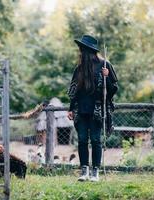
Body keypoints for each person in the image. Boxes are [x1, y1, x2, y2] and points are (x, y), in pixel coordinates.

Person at [67, 35, 118, 182]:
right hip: (81, 109)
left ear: (89, 51)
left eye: (82, 49)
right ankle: (84, 171)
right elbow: (74, 90)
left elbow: (113, 89)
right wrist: (71, 108)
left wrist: (107, 77)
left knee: (95, 140)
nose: (80, 52)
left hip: (97, 110)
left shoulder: (104, 65)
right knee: (82, 140)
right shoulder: (79, 69)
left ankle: (95, 172)